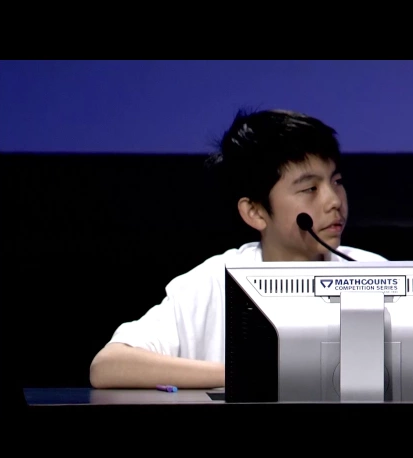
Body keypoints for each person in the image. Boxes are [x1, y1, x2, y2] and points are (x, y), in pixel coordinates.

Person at [89, 108, 388, 389]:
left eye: (336, 182)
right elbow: (108, 366)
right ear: (255, 212)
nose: (333, 201)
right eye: (310, 188)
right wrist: (244, 375)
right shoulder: (215, 282)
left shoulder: (375, 275)